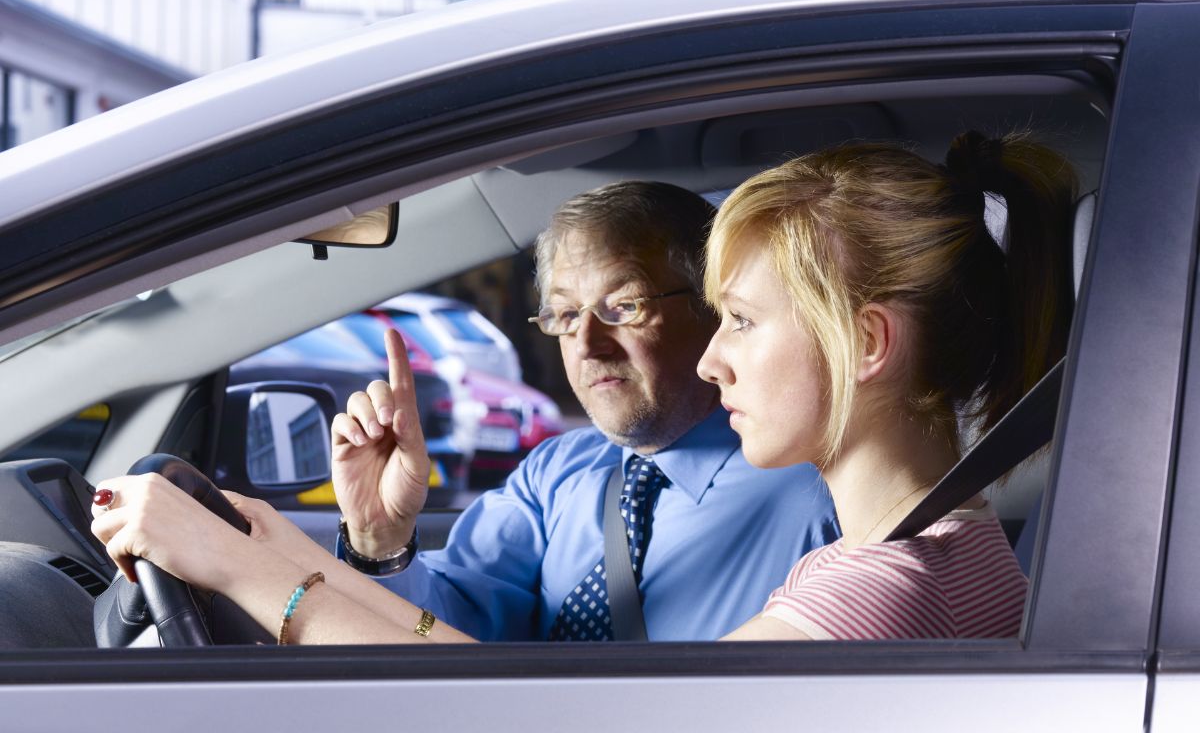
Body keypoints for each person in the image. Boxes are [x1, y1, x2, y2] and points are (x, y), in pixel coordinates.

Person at [89, 180, 838, 645]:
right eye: (564, 314)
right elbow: (443, 634)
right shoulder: (559, 471)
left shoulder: (815, 488)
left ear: (712, 308)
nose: (587, 342)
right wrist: (381, 543)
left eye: (624, 306)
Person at [702, 132, 1074, 640]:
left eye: (741, 319)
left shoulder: (870, 601)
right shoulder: (957, 551)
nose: (710, 362)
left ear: (864, 342)